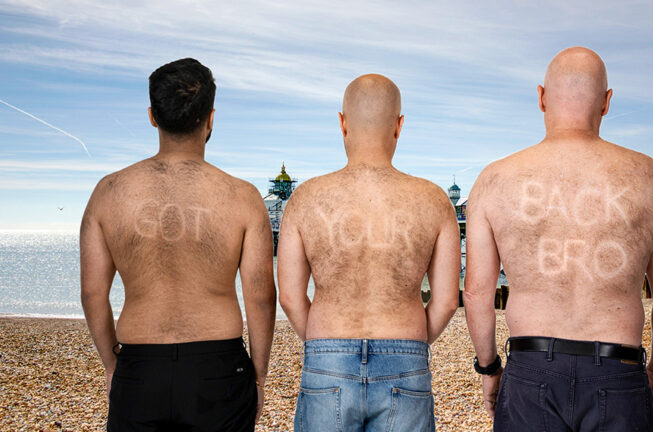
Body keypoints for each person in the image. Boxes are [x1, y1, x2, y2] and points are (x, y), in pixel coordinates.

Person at [464, 47, 653, 432]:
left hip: (530, 369)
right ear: (606, 102)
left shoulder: (495, 180)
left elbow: (477, 293)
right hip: (620, 371)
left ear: (541, 97)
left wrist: (488, 368)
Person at [80, 58, 276, 432]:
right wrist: (259, 375)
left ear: (153, 116)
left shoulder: (108, 193)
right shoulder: (243, 197)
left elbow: (92, 293)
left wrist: (112, 365)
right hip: (218, 370)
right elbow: (261, 297)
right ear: (211, 118)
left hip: (139, 368)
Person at [278, 74, 460, 432]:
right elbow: (447, 301)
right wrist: (410, 344)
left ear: (342, 123)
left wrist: (323, 344)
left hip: (326, 353)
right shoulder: (433, 199)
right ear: (399, 125)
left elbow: (289, 296)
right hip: (406, 353)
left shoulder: (306, 199)